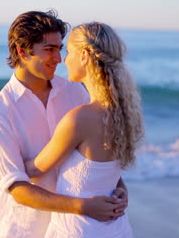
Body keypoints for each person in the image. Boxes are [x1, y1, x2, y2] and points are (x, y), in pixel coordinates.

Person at [0, 11, 128, 238]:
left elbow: (95, 149)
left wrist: (119, 187)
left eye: (60, 49)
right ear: (22, 51)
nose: (59, 59)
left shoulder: (75, 91)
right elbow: (17, 189)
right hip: (26, 228)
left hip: (75, 227)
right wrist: (83, 206)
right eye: (49, 50)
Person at [24, 22, 144, 237]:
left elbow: (35, 169)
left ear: (84, 56)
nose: (64, 60)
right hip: (116, 228)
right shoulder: (124, 113)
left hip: (80, 230)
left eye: (69, 51)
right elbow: (106, 172)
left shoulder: (80, 118)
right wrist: (122, 191)